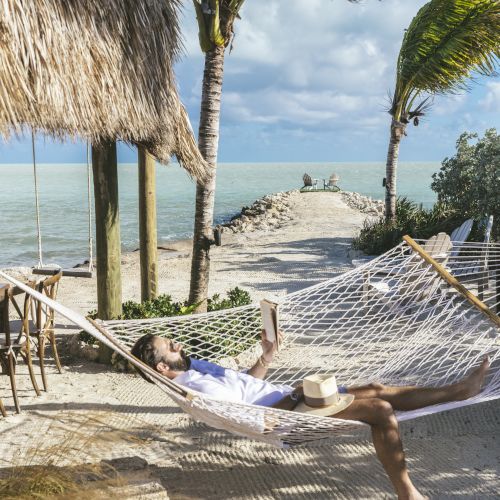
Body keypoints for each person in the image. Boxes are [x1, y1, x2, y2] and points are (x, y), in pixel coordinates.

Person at [131, 330, 490, 500]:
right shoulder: (201, 391)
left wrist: (267, 356)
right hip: (291, 419)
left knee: (376, 388)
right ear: (163, 366)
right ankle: (408, 493)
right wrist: (296, 397)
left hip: (292, 403)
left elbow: (247, 390)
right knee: (380, 410)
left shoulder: (199, 375)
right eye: (170, 346)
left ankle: (461, 390)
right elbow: (261, 421)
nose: (179, 343)